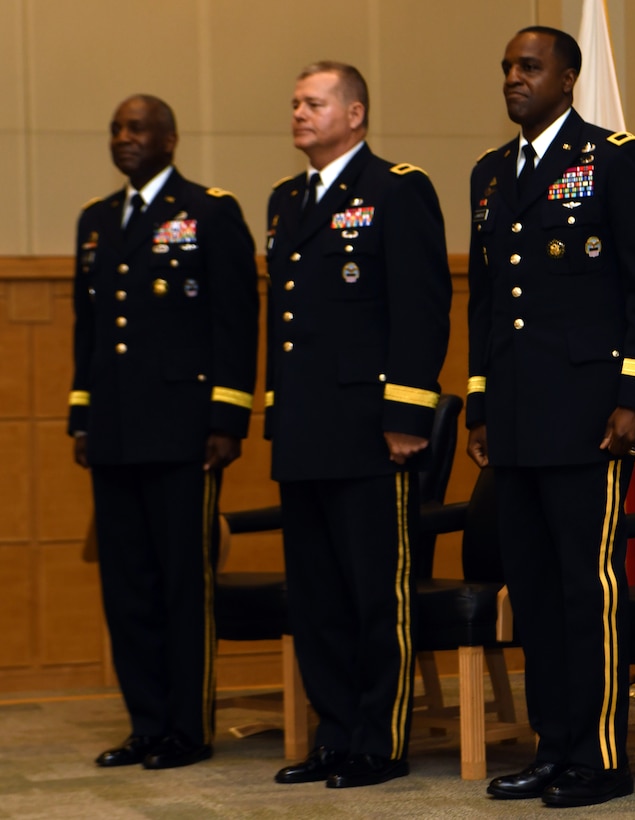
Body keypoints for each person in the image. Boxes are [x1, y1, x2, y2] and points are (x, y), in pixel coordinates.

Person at [465, 27, 635, 808]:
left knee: (585, 592)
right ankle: (551, 750)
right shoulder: (492, 175)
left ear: (569, 76)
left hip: (591, 420)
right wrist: (480, 407)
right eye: (507, 67)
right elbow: (488, 307)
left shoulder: (612, 159)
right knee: (533, 592)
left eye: (529, 66)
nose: (514, 78)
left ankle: (600, 760)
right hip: (518, 423)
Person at [265, 61, 451, 789]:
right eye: (296, 104)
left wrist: (408, 412)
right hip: (305, 427)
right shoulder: (286, 200)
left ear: (355, 114)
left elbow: (421, 307)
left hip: (373, 428)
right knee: (316, 598)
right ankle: (333, 735)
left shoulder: (396, 189)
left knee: (376, 592)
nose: (300, 113)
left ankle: (378, 740)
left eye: (314, 103)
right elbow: (285, 328)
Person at [68, 95, 259, 769]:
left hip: (185, 435)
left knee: (184, 583)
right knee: (128, 587)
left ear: (170, 138)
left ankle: (187, 729)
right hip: (115, 434)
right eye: (117, 127)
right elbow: (89, 332)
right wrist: (82, 416)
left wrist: (227, 418)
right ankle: (146, 724)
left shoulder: (208, 211)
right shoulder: (97, 220)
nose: (124, 137)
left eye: (137, 127)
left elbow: (235, 323)